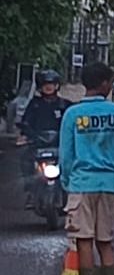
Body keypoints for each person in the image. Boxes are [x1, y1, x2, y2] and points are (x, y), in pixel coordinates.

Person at [58, 62, 114, 275]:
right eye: (110, 81)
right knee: (106, 242)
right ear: (103, 84)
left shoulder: (72, 114)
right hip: (109, 184)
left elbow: (66, 155)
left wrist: (67, 183)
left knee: (84, 240)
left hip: (82, 184)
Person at [17, 69, 71, 202]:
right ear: (40, 86)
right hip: (38, 144)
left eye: (51, 83)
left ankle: (71, 191)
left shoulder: (65, 105)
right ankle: (30, 191)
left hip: (60, 144)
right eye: (45, 83)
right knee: (25, 158)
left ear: (57, 85)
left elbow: (73, 123)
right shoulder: (34, 105)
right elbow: (26, 122)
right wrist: (25, 135)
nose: (48, 87)